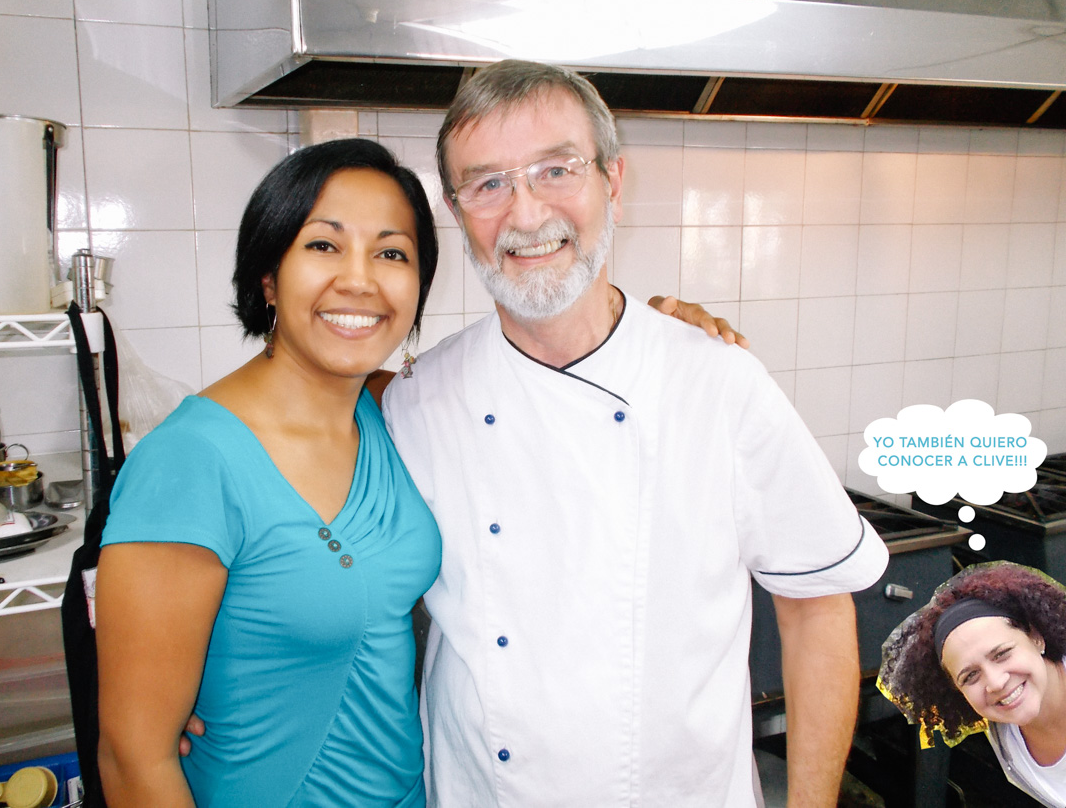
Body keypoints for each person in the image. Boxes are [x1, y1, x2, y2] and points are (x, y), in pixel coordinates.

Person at [380, 59, 890, 808]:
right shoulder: (418, 400)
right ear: (458, 213)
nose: (526, 215)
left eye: (557, 170)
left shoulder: (717, 381)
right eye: (488, 184)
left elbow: (816, 608)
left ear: (613, 181)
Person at [94, 138, 443, 808]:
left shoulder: (381, 407)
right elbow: (134, 759)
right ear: (267, 278)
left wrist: (647, 334)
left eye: (392, 253)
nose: (360, 280)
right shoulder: (191, 463)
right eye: (323, 245)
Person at [878, 561, 1066, 807]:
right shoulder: (1007, 741)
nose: (995, 682)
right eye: (970, 676)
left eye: (1002, 654)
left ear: (1036, 637)